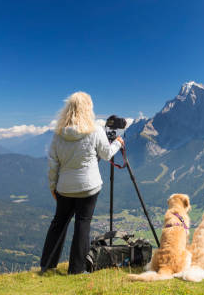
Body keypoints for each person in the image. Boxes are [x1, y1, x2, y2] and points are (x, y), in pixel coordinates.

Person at [40, 91, 124, 274]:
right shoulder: (95, 130)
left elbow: (53, 164)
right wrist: (117, 143)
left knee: (59, 223)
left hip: (64, 188)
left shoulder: (58, 134)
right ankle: (76, 270)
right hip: (89, 187)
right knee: (82, 224)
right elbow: (107, 154)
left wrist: (53, 187)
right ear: (88, 109)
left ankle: (47, 264)